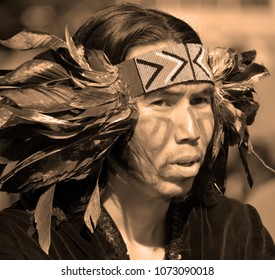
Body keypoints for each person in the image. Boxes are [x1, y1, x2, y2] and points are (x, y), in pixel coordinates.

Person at [0, 3, 274, 260]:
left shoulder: (236, 234)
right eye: (161, 102)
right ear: (102, 121)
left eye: (200, 100)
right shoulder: (24, 247)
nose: (191, 130)